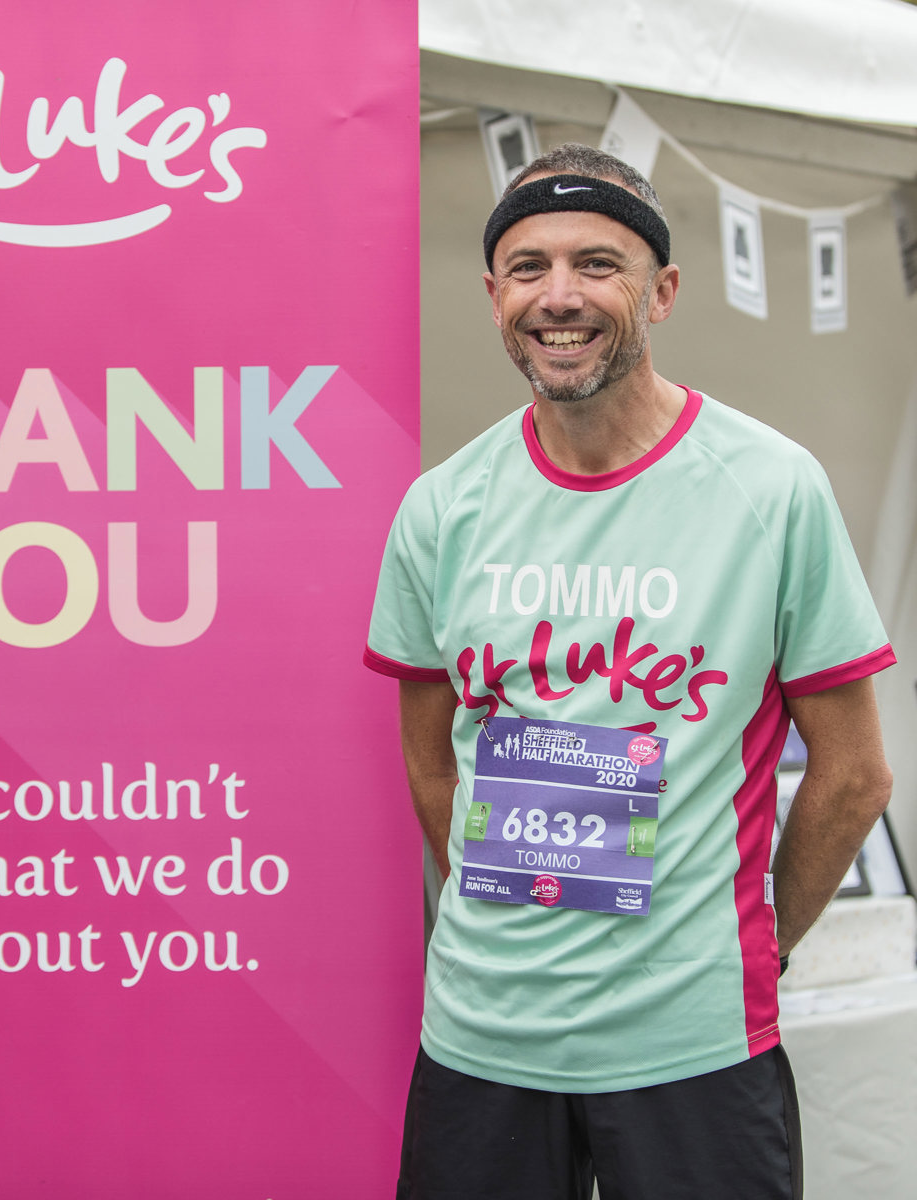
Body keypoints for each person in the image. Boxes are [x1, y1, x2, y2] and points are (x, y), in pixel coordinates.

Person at [364, 143, 895, 1200]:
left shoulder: (771, 489)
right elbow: (434, 769)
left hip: (693, 1039)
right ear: (494, 296)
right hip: (481, 1037)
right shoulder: (441, 508)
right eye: (529, 268)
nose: (559, 296)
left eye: (597, 263)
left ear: (662, 291)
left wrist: (761, 945)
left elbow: (854, 776)